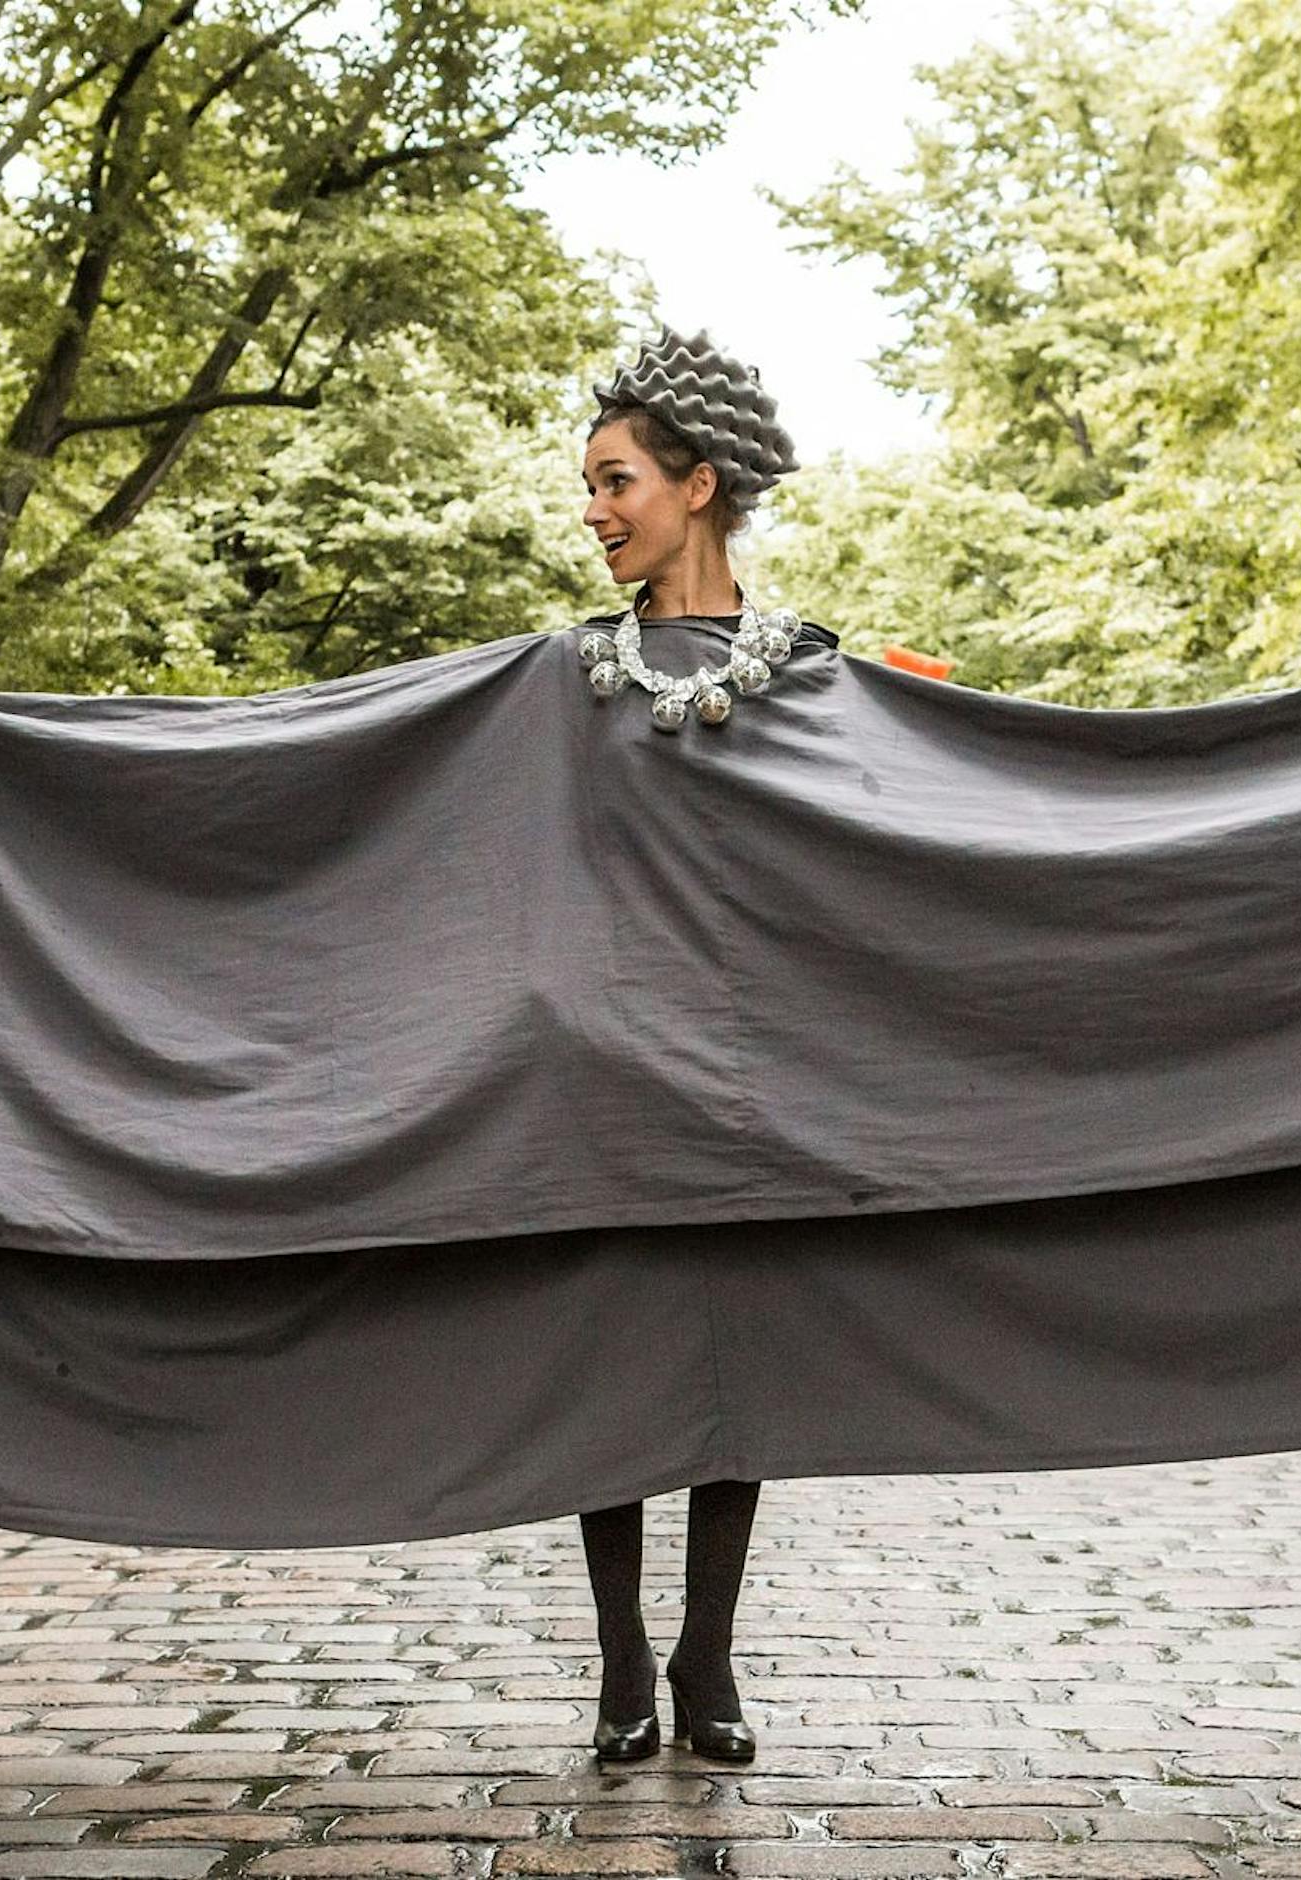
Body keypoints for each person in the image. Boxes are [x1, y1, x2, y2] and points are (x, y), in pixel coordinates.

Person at [573, 329, 827, 1764]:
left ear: (698, 484)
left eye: (616, 481)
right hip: (604, 1080)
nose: (595, 510)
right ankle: (620, 1660)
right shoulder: (562, 680)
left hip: (747, 1084)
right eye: (588, 487)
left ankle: (706, 1654)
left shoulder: (808, 670)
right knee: (604, 1372)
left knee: (734, 1379)